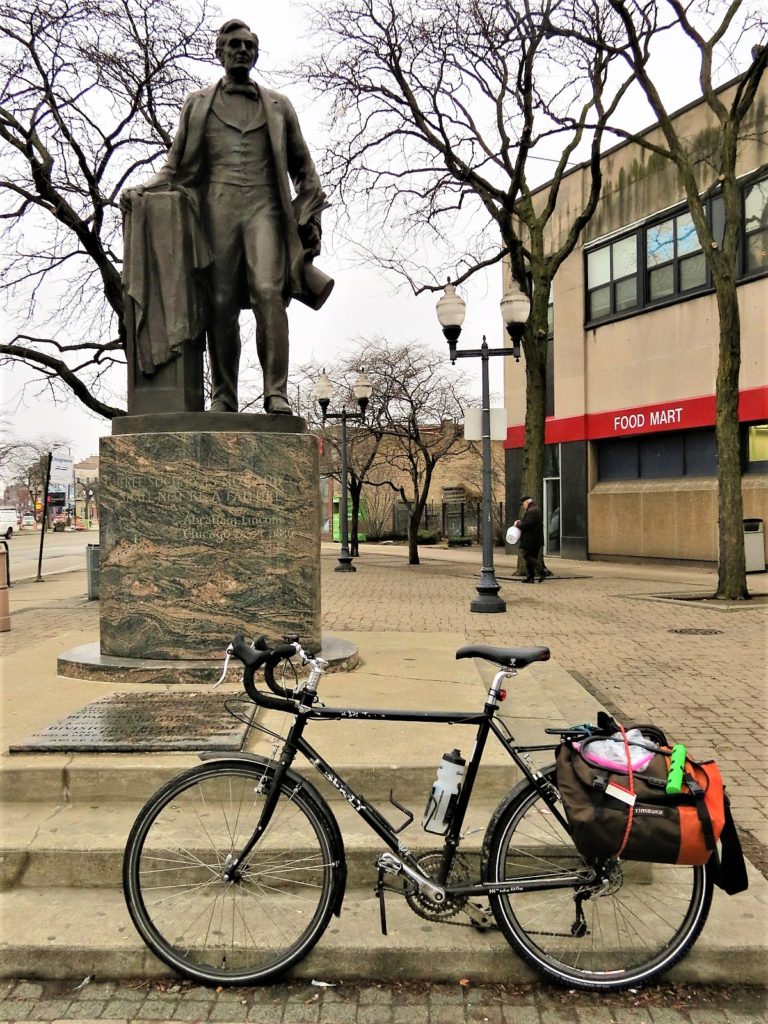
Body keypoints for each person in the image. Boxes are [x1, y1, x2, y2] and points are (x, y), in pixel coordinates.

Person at [122, 19, 329, 415]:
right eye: (232, 44)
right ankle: (224, 394)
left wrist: (310, 218)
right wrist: (144, 188)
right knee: (219, 303)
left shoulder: (279, 105)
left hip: (265, 209)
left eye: (248, 45)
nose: (240, 50)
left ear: (256, 53)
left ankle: (275, 391)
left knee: (269, 293)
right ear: (219, 52)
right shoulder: (198, 104)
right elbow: (174, 165)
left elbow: (305, 170)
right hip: (216, 210)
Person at [515, 495, 545, 583]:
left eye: (523, 504)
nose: (523, 506)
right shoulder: (535, 509)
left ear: (527, 502)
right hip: (536, 539)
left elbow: (527, 524)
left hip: (531, 539)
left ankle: (541, 570)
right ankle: (530, 577)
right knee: (532, 558)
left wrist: (518, 524)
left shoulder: (532, 511)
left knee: (526, 555)